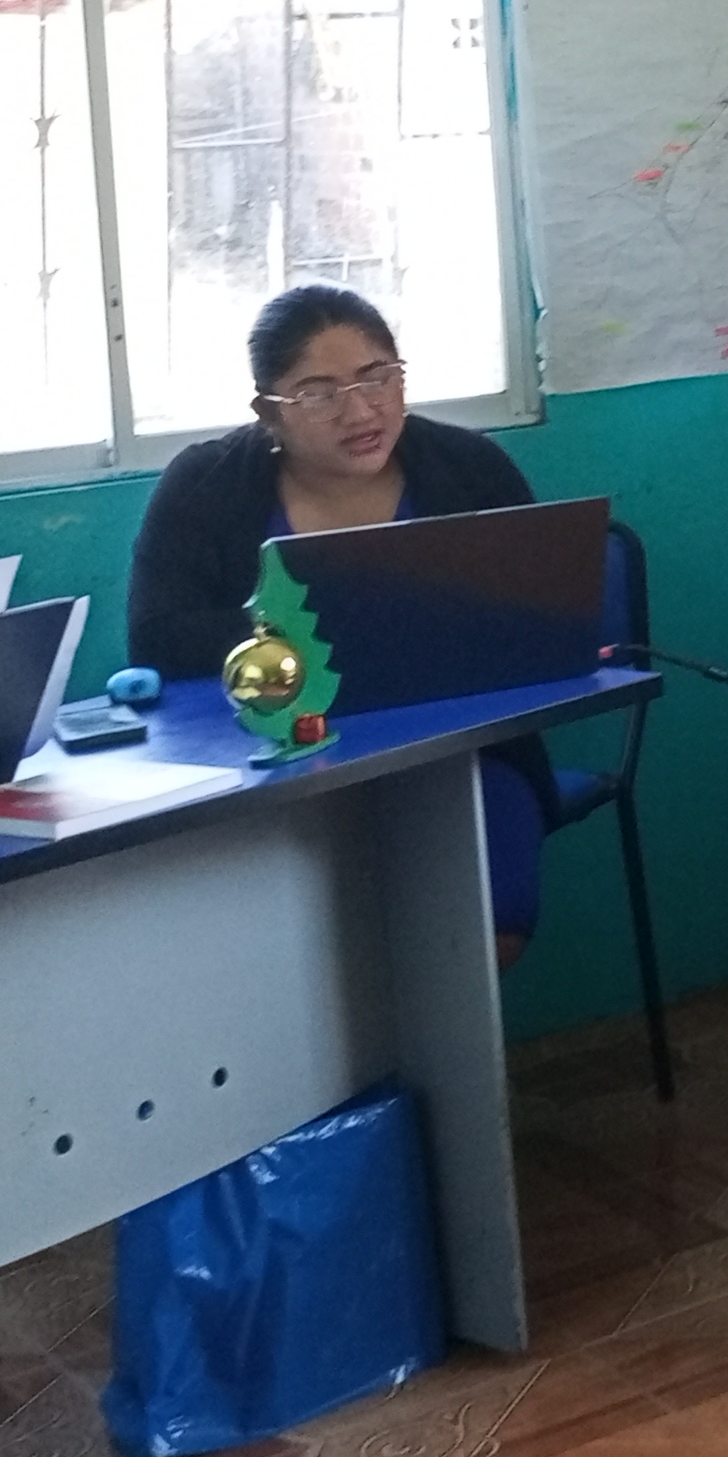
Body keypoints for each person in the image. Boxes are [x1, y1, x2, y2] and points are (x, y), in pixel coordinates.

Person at [127, 286, 562, 961]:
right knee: (274, 947)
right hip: (269, 763)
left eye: (376, 377)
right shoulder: (206, 487)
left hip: (461, 752)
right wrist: (320, 625)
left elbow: (539, 613)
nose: (360, 411)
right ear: (269, 411)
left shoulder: (468, 468)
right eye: (318, 393)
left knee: (484, 926)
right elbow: (158, 638)